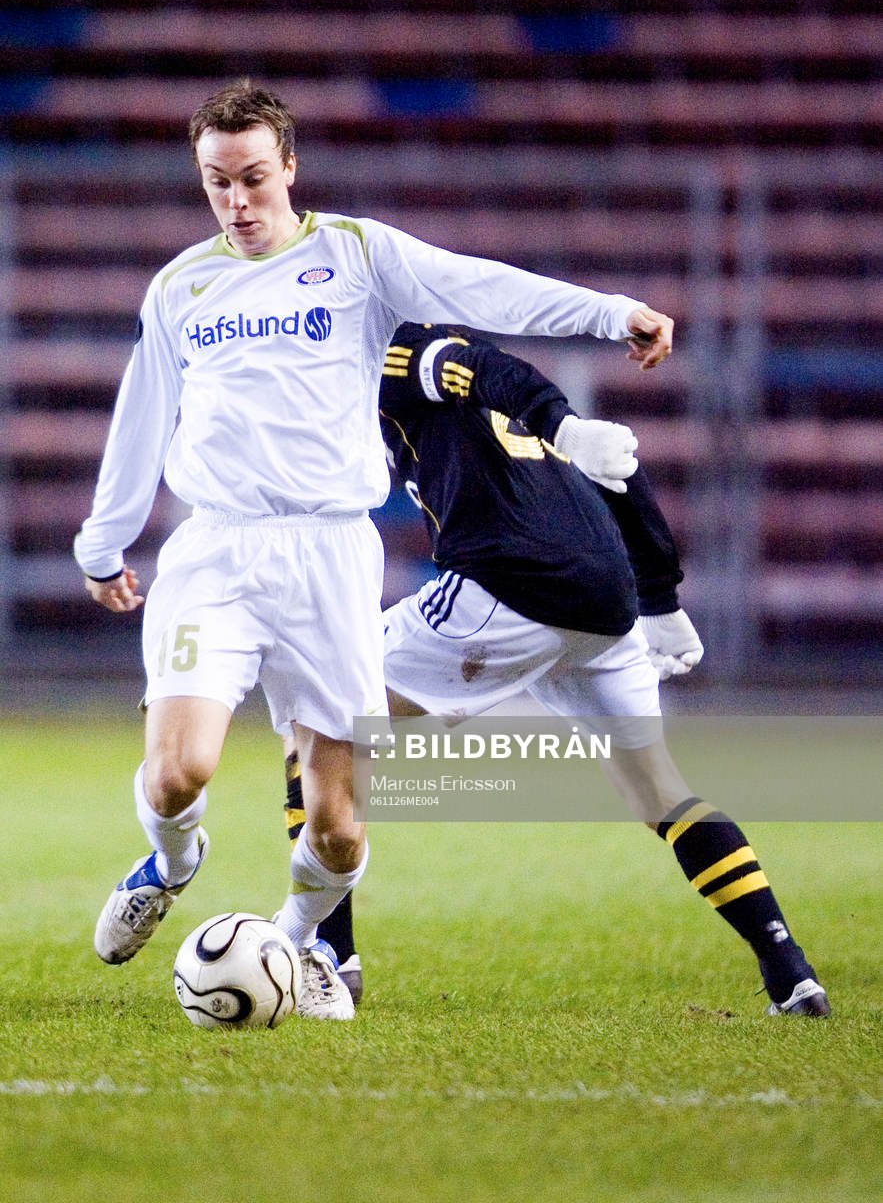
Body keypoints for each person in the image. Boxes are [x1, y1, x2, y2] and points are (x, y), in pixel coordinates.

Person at [73, 81, 675, 1022]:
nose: (237, 203)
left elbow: (478, 284)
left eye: (255, 180)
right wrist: (103, 543)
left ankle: (298, 942)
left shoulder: (355, 255)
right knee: (176, 773)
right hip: (219, 550)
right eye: (217, 182)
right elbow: (139, 419)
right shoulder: (181, 286)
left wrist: (605, 312)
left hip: (329, 557)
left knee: (339, 829)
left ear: (291, 170)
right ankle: (171, 863)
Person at [283, 323, 829, 1017]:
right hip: (605, 600)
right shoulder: (506, 406)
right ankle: (791, 972)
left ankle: (328, 956)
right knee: (659, 793)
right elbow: (617, 466)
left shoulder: (399, 351)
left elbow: (478, 367)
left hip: (506, 588)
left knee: (317, 715)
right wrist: (658, 595)